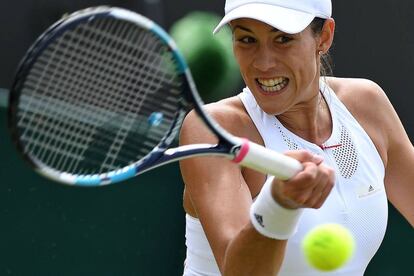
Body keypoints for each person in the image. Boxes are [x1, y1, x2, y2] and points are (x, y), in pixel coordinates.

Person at [179, 0, 414, 275]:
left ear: (324, 37)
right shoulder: (213, 129)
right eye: (246, 39)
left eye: (282, 39)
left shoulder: (367, 106)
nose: (263, 63)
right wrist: (279, 206)